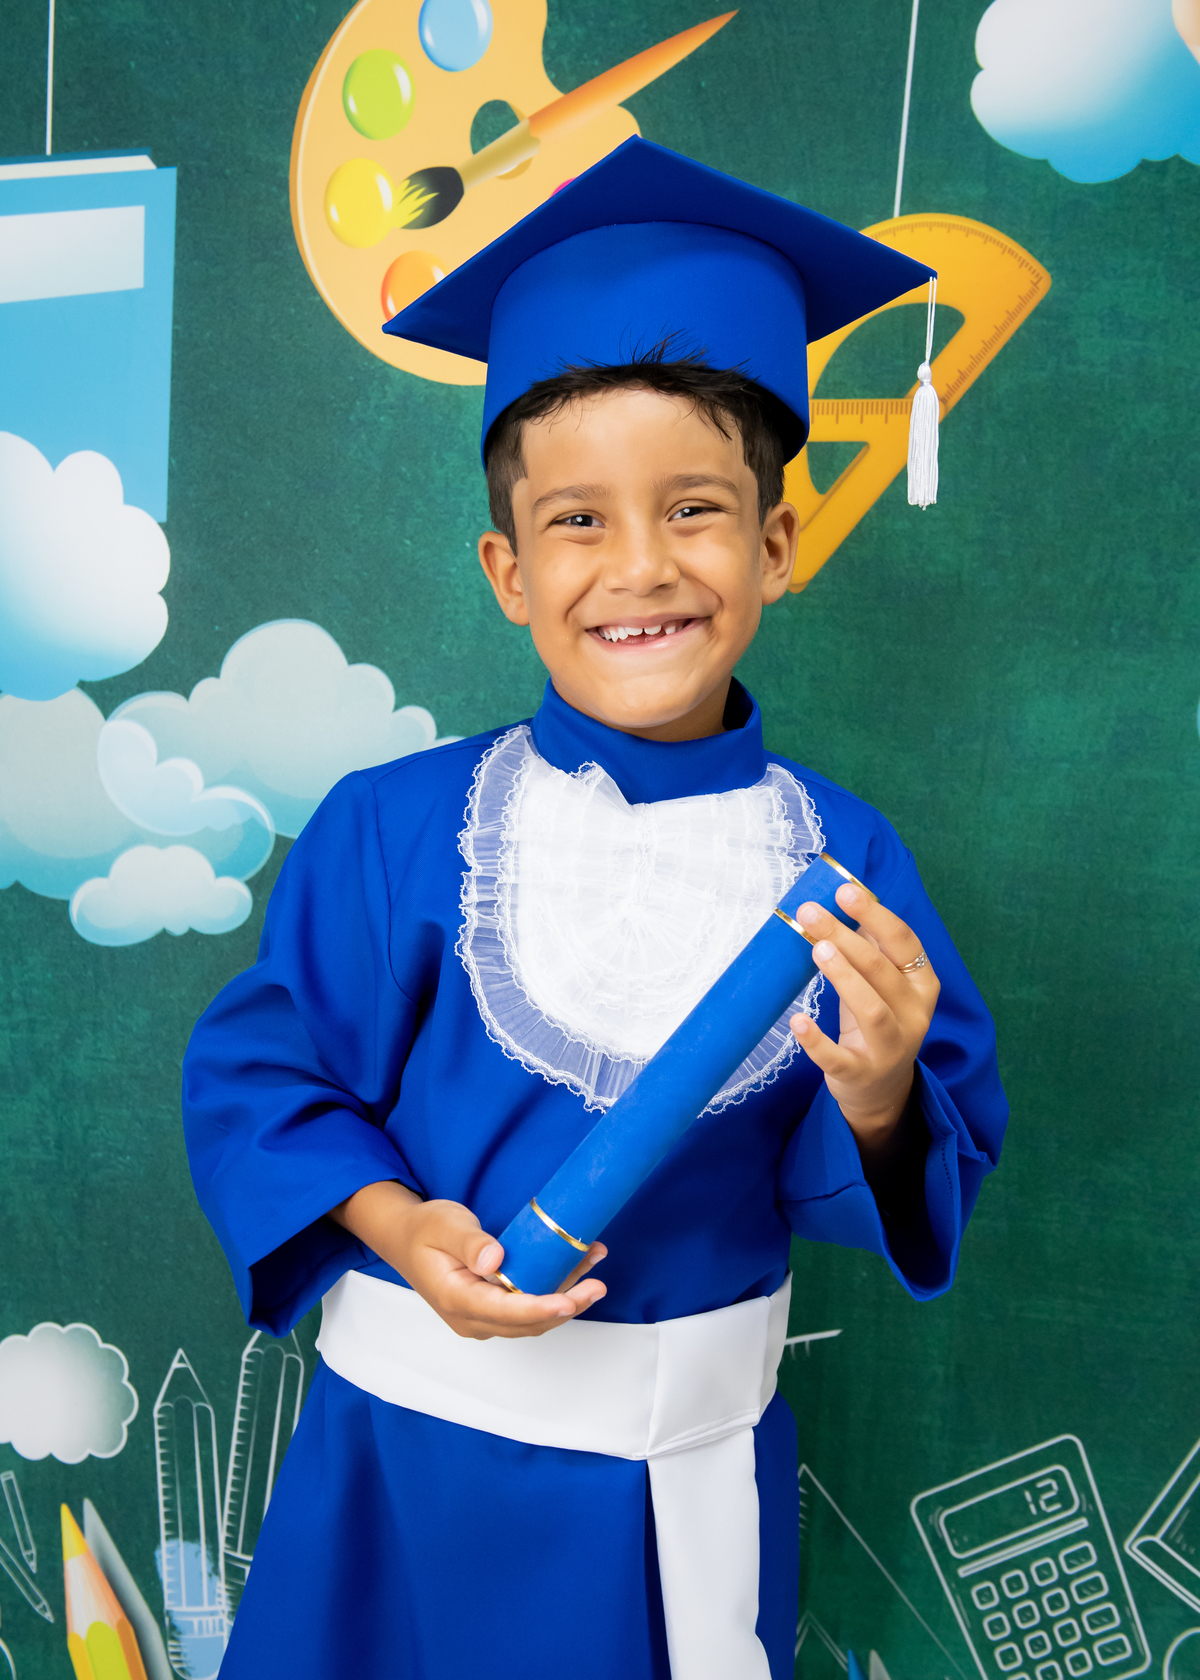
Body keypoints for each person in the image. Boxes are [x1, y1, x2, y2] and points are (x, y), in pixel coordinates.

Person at [183, 137, 1007, 1680]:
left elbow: (905, 1160)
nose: (641, 568)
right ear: (507, 570)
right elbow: (269, 1082)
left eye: (695, 510)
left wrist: (884, 1089)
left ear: (774, 545)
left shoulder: (843, 858)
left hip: (677, 1493)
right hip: (400, 1477)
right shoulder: (398, 826)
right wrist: (397, 1223)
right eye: (577, 522)